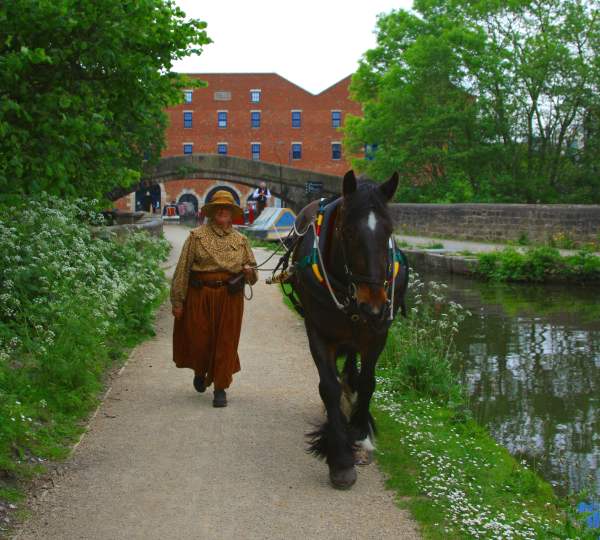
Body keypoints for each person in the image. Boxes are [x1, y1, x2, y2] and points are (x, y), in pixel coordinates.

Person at [170, 191, 258, 407]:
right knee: (200, 339)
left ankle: (221, 387)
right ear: (211, 212)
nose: (222, 211)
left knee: (226, 342)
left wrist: (248, 272)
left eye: (226, 208)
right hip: (200, 295)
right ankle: (200, 371)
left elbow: (254, 277)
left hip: (230, 298)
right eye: (218, 207)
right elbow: (182, 269)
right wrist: (178, 301)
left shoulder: (241, 240)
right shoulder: (196, 237)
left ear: (231, 214)